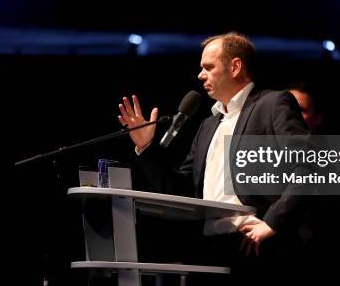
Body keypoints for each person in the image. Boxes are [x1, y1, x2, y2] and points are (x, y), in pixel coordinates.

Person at [118, 32, 313, 283]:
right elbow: (181, 189)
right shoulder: (208, 125)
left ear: (235, 67)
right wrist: (146, 148)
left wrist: (271, 223)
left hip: (254, 246)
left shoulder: (273, 103)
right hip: (209, 249)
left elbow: (308, 167)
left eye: (208, 67)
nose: (200, 75)